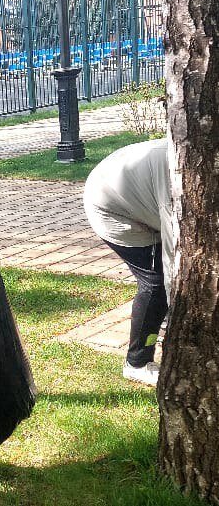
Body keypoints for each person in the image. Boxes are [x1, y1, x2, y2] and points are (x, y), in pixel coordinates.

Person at [83, 138, 173, 387]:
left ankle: (163, 317)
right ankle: (138, 363)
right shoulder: (176, 170)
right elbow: (176, 242)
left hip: (137, 197)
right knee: (157, 283)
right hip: (110, 207)